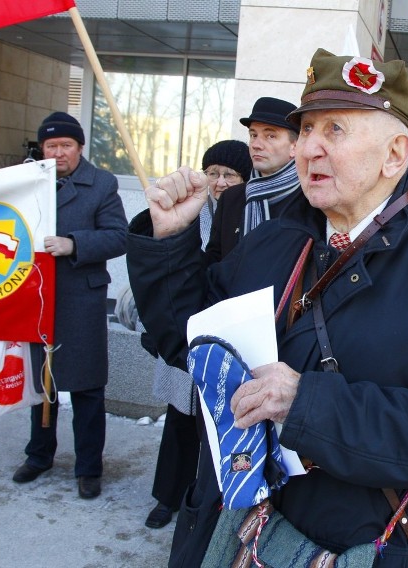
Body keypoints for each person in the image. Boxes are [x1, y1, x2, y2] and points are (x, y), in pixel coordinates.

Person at [127, 48, 408, 566]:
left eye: (335, 130)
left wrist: (309, 406)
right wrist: (170, 242)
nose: (308, 149)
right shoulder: (275, 239)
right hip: (227, 530)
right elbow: (188, 342)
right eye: (307, 129)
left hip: (353, 548)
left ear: (395, 154)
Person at [12, 112, 127, 500]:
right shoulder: (27, 183)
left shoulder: (102, 184)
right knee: (42, 383)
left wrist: (74, 244)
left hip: (82, 298)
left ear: (79, 147)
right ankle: (39, 455)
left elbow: (118, 237)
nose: (58, 153)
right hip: (37, 295)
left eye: (66, 145)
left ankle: (88, 467)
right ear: (41, 149)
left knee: (87, 389)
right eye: (51, 146)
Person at [144, 140, 252, 529]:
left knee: (214, 427)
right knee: (178, 419)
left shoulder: (246, 211)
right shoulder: (188, 211)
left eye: (229, 174)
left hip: (223, 336)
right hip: (186, 331)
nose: (220, 182)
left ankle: (208, 501)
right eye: (213, 173)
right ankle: (166, 496)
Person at [204, 97, 301, 263]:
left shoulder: (309, 199)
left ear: (295, 146)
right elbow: (214, 261)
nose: (256, 144)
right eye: (253, 135)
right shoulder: (232, 198)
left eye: (270, 136)